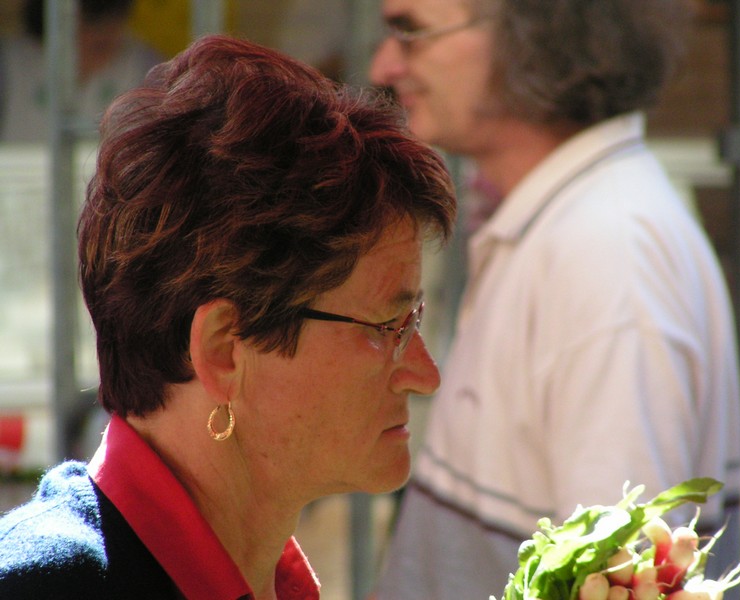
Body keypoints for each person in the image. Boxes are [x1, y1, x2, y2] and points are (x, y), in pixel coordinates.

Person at [0, 34, 456, 599]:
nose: (425, 374)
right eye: (389, 327)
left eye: (414, 318)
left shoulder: (266, 576)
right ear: (223, 350)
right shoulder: (51, 587)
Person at [369, 1, 740, 598]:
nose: (384, 65)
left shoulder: (606, 255)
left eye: (411, 32)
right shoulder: (574, 227)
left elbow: (623, 582)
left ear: (534, 29)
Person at [0, 0, 163, 142]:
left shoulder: (145, 66)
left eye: (115, 13)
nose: (105, 29)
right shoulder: (9, 64)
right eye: (93, 15)